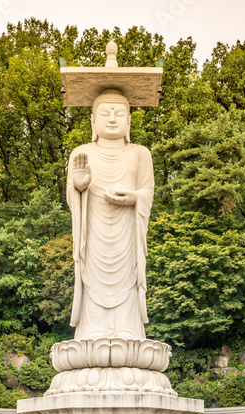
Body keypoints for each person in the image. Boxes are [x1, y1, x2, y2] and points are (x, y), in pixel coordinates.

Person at [66, 87, 154, 340]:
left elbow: (148, 189)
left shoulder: (140, 153)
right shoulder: (81, 153)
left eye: (119, 113)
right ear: (93, 121)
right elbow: (73, 199)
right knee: (92, 275)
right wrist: (79, 186)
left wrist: (136, 197)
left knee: (127, 275)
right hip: (93, 232)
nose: (113, 119)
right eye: (105, 113)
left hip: (127, 231)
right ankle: (92, 330)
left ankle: (128, 329)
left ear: (129, 121)